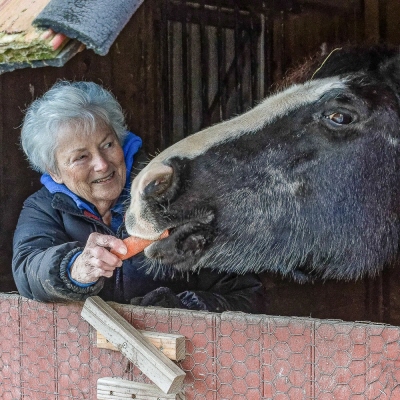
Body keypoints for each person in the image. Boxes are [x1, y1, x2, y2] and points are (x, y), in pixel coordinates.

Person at [12, 80, 266, 313]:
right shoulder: (44, 208)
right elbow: (28, 268)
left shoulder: (170, 193)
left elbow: (246, 293)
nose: (102, 164)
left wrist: (183, 309)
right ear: (55, 172)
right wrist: (76, 267)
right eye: (81, 157)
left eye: (108, 145)